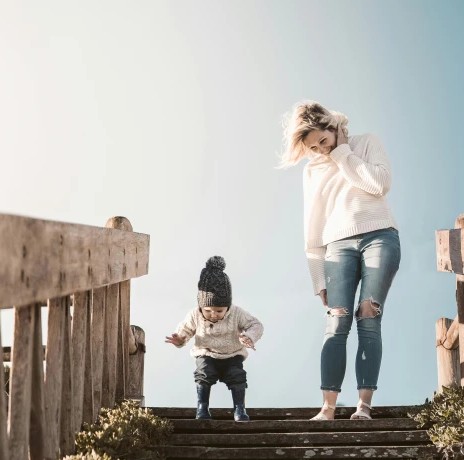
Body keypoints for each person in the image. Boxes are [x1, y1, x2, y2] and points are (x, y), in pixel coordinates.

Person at [281, 100, 401, 420]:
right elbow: (313, 225)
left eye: (323, 140)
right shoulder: (312, 170)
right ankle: (328, 408)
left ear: (333, 126)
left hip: (380, 237)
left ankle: (363, 406)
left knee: (368, 316)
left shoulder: (364, 143)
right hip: (336, 247)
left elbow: (379, 184)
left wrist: (343, 153)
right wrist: (317, 276)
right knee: (336, 323)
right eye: (312, 146)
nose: (320, 149)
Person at [166, 256, 263, 422]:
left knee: (237, 375)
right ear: (201, 306)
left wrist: (249, 336)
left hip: (232, 354)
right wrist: (180, 340)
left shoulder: (237, 313)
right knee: (204, 373)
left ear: (228, 307)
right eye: (209, 310)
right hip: (207, 353)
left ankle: (240, 408)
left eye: (219, 311)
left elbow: (256, 325)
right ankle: (202, 407)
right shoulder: (195, 314)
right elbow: (185, 331)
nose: (214, 314)